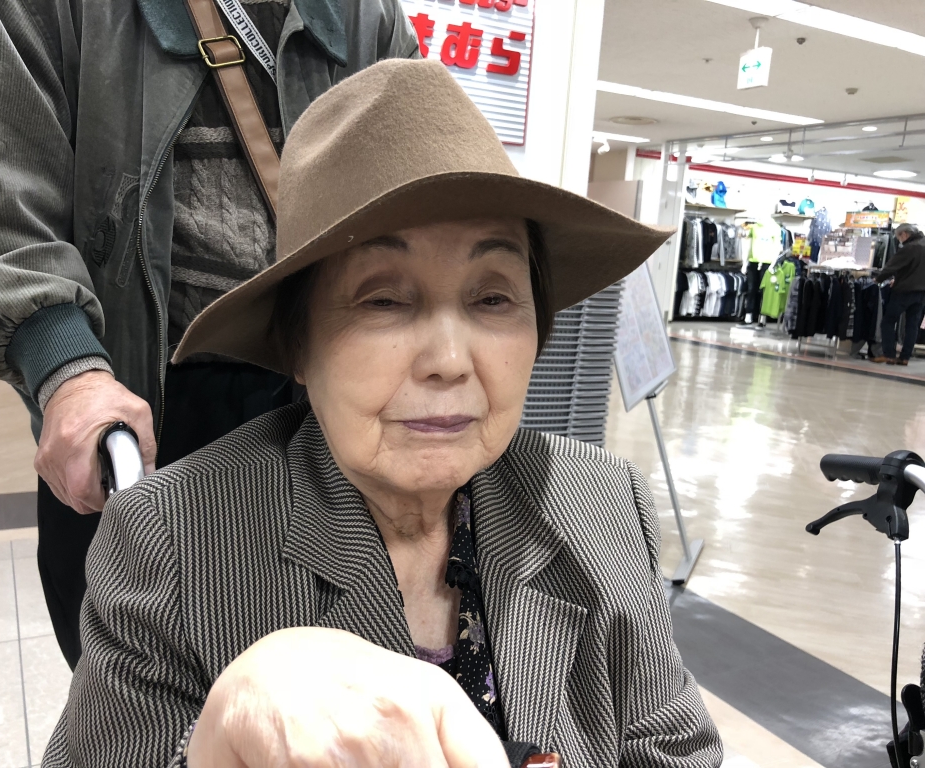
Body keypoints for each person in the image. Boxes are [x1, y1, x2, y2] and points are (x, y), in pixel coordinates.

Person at [42, 60, 721, 768]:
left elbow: (677, 750)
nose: (449, 360)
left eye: (493, 298)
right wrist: (211, 750)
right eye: (385, 300)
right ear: (298, 344)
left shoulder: (604, 505)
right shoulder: (173, 540)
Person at [0, 0, 418, 669]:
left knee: (342, 672)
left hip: (330, 394)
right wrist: (67, 371)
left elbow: (416, 196)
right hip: (141, 407)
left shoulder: (366, 14)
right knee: (145, 685)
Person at [873, 223, 925, 366]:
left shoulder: (910, 248)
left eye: (898, 237)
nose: (899, 241)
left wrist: (878, 279)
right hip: (921, 293)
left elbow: (892, 266)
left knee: (888, 322)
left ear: (904, 234)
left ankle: (889, 355)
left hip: (904, 291)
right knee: (912, 325)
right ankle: (905, 358)